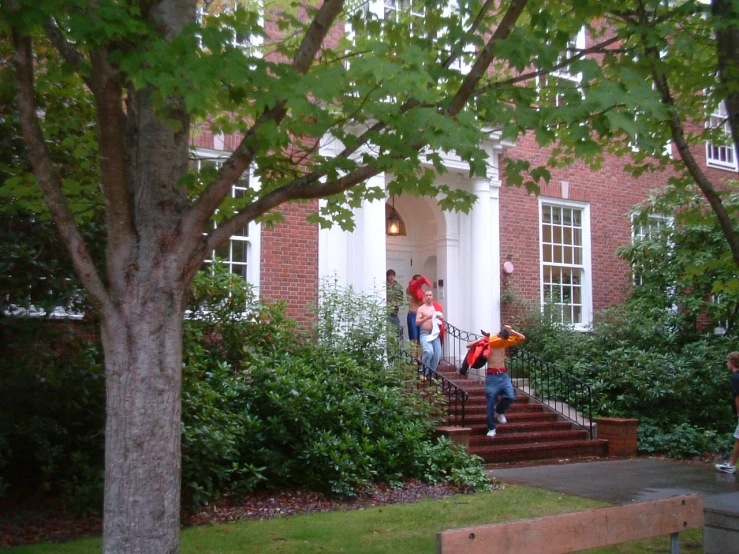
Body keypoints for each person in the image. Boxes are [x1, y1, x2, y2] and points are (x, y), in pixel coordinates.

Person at [466, 325, 526, 438]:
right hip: (492, 376)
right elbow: (468, 345)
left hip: (503, 375)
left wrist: (511, 330)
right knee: (490, 403)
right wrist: (480, 340)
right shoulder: (489, 343)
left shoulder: (505, 343)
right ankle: (491, 428)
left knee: (510, 396)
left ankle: (499, 411)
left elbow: (522, 338)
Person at [716, 351, 739, 474]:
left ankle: (731, 465)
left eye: (728, 361)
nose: (727, 364)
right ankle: (731, 464)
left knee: (738, 438)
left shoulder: (735, 377)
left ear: (733, 362)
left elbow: (738, 397)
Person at [416, 289, 443, 377]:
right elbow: (417, 322)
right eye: (427, 295)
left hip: (435, 334)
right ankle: (422, 371)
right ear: (424, 297)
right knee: (428, 352)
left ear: (432, 296)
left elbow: (442, 319)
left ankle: (430, 374)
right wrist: (426, 318)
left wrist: (442, 319)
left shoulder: (436, 308)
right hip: (425, 333)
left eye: (430, 295)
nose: (428, 297)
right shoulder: (421, 308)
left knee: (437, 355)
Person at [406, 274, 431, 354]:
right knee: (414, 339)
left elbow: (424, 302)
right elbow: (417, 299)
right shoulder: (409, 289)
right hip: (412, 314)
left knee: (421, 338)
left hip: (420, 316)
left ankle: (419, 359)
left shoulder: (422, 291)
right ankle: (413, 359)